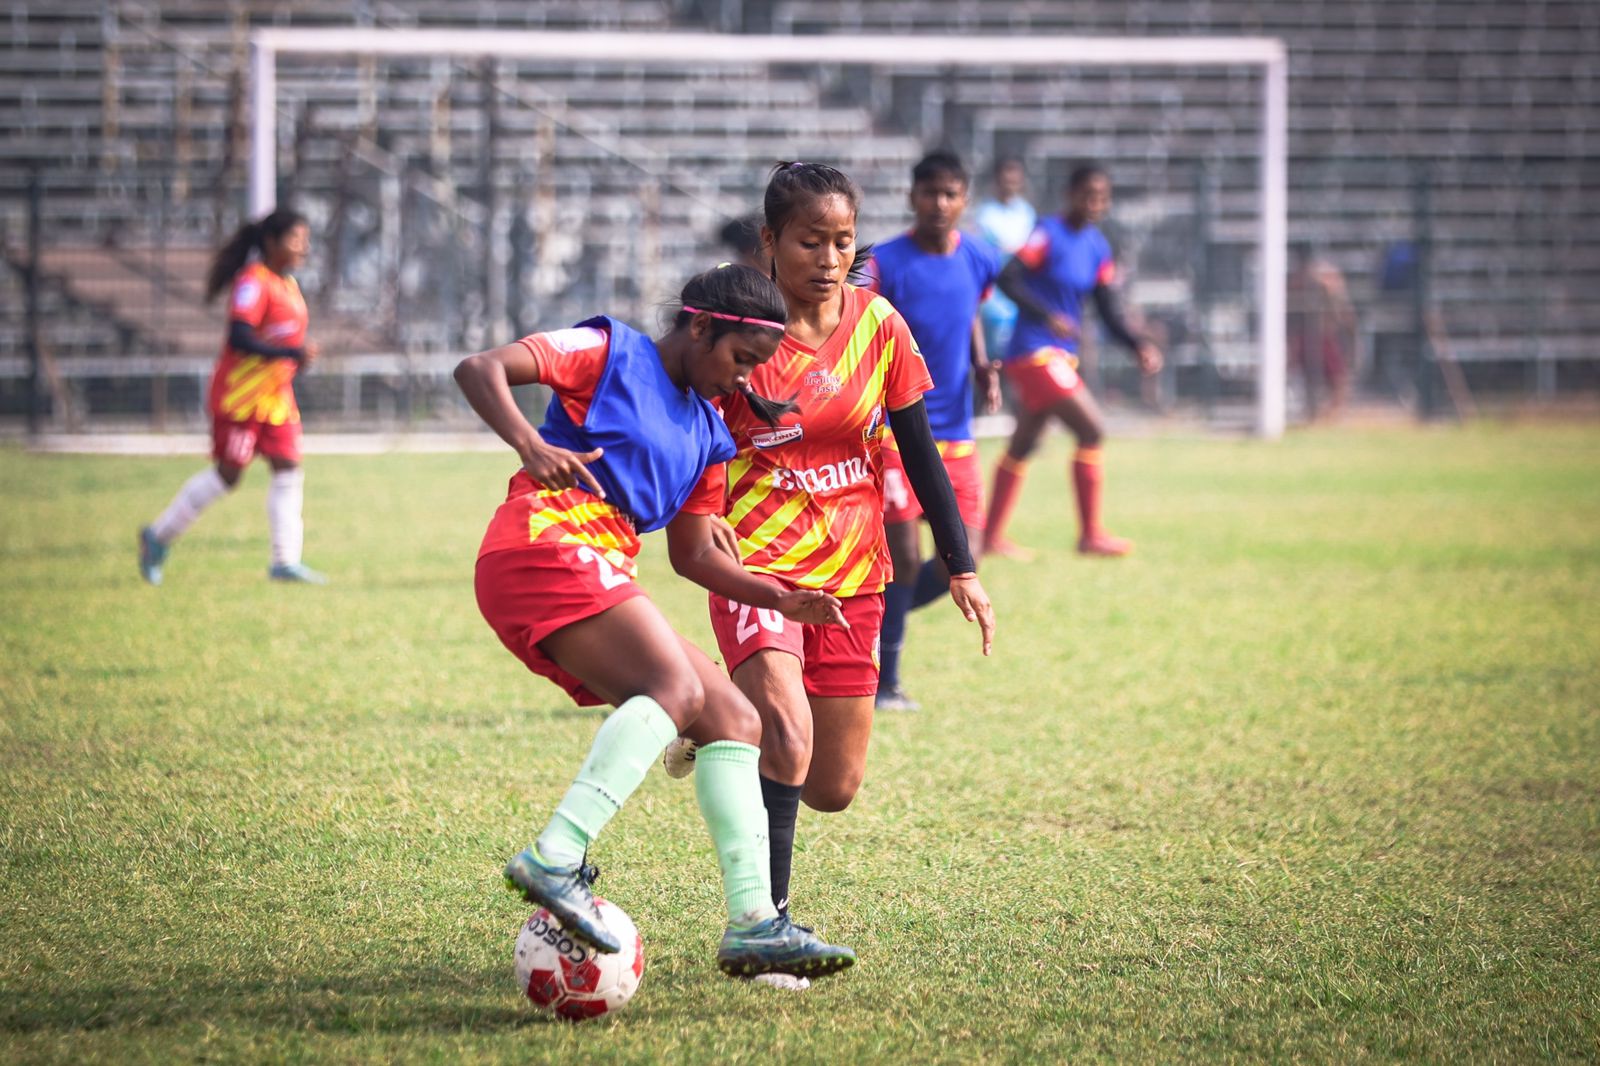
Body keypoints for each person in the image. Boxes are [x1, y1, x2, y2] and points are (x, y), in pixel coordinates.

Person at [459, 264, 856, 982]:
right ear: (699, 325)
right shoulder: (609, 351)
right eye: (739, 361)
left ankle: (754, 923)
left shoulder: (709, 431)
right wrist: (528, 441)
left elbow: (697, 553)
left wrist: (777, 597)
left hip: (598, 561)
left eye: (755, 371)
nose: (741, 382)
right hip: (541, 542)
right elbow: (481, 367)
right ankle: (555, 856)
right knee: (676, 686)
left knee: (736, 719)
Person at [667, 162, 996, 956]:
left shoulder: (880, 326)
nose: (827, 257)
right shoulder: (743, 336)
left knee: (832, 787)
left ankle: (713, 720)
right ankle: (763, 925)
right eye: (810, 240)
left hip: (855, 579)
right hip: (761, 571)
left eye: (843, 241)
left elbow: (919, 450)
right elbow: (689, 438)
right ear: (770, 242)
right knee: (785, 734)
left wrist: (961, 566)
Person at [864, 150, 1002, 712]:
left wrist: (983, 364)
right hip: (898, 431)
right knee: (901, 548)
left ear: (964, 199)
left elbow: (967, 311)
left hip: (957, 433)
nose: (939, 204)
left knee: (963, 556)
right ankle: (885, 683)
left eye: (950, 194)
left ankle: (865, 616)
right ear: (911, 196)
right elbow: (867, 326)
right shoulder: (886, 263)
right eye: (929, 193)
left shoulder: (980, 259)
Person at [983, 163, 1163, 559]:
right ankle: (1090, 534)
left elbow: (1107, 307)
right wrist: (1047, 316)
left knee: (1023, 444)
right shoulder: (1047, 233)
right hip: (1032, 352)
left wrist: (1138, 345)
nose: (1095, 203)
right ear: (1070, 194)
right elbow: (1007, 278)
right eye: (1088, 195)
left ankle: (990, 537)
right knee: (1092, 429)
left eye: (1102, 197)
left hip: (1061, 355)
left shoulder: (1098, 246)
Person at [138, 209, 326, 585]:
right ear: (271, 243)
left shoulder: (288, 284)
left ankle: (285, 561)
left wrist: (295, 358)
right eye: (295, 238)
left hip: (276, 398)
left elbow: (278, 338)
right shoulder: (254, 282)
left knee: (289, 468)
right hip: (240, 399)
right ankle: (158, 537)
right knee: (228, 476)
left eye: (305, 237)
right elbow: (239, 336)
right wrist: (290, 354)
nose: (303, 246)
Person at [973, 157, 1037, 364]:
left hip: (1023, 291)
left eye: (1014, 179)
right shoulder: (985, 214)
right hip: (995, 296)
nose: (1010, 184)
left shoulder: (1027, 213)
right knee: (995, 356)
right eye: (1005, 179)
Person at [1289, 241, 1357, 422]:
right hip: (1306, 336)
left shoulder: (1324, 276)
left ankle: (1328, 416)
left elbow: (1339, 303)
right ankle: (1316, 415)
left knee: (1338, 380)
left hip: (1323, 335)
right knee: (1311, 380)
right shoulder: (1297, 280)